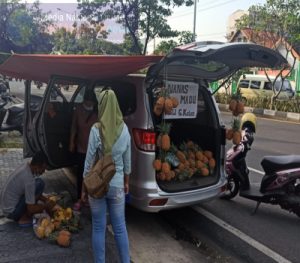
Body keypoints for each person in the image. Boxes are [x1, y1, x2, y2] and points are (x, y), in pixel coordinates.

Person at [82, 89, 131, 263]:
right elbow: (127, 162)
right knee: (119, 228)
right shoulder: (125, 130)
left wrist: (83, 189)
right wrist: (126, 183)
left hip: (97, 185)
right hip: (117, 184)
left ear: (101, 106)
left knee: (98, 227)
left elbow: (88, 163)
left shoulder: (96, 130)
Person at [1, 151, 56, 226]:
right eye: (43, 169)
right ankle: (24, 218)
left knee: (38, 182)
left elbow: (31, 191)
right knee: (40, 184)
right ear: (37, 166)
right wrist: (46, 206)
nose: (43, 172)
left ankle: (30, 206)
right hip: (13, 213)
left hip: (6, 208)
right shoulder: (29, 180)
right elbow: (31, 209)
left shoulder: (26, 165)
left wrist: (46, 200)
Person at [69, 89, 98, 210]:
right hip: (81, 147)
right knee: (81, 174)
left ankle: (90, 198)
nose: (89, 104)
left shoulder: (98, 111)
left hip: (95, 149)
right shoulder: (78, 110)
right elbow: (74, 127)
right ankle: (80, 198)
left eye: (91, 102)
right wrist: (71, 142)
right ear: (84, 100)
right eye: (87, 102)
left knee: (93, 175)